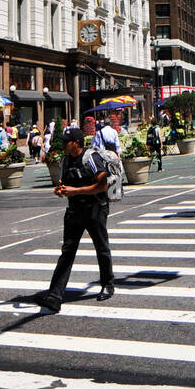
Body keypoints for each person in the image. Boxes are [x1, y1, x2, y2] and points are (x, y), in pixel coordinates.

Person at [37, 127, 116, 314]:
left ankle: (108, 284)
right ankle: (55, 296)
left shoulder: (91, 158)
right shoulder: (65, 160)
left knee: (101, 246)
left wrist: (76, 191)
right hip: (74, 210)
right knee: (67, 251)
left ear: (77, 143)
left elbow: (102, 184)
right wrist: (61, 191)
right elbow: (64, 184)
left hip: (95, 208)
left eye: (67, 141)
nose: (64, 144)